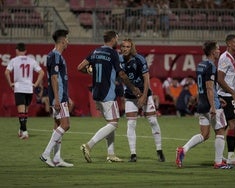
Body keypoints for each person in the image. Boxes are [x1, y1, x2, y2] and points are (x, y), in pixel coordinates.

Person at [77, 30, 142, 163]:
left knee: (110, 123)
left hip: (96, 93)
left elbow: (80, 67)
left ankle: (111, 154)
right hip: (108, 93)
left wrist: (90, 71)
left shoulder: (95, 51)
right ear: (113, 39)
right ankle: (89, 145)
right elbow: (122, 75)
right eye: (117, 38)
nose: (118, 41)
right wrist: (133, 88)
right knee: (113, 123)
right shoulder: (113, 53)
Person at [176, 41, 232, 169]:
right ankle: (218, 162)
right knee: (220, 131)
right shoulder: (211, 66)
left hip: (201, 104)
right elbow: (209, 88)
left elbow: (202, 87)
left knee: (205, 134)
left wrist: (211, 99)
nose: (219, 51)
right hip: (211, 104)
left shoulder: (200, 64)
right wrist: (213, 105)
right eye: (218, 49)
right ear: (213, 52)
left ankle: (183, 150)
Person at [120, 38, 165, 162]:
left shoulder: (139, 59)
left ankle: (159, 151)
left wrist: (144, 96)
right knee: (131, 123)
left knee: (153, 121)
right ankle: (133, 154)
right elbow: (122, 77)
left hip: (145, 93)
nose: (125, 49)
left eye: (128, 47)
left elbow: (146, 78)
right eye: (123, 46)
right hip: (130, 96)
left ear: (132, 48)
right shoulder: (119, 60)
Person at [40, 29, 74, 168]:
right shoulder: (55, 56)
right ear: (62, 40)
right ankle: (46, 154)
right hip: (58, 97)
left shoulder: (55, 55)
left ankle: (57, 158)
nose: (68, 42)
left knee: (57, 126)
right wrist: (58, 99)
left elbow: (58, 78)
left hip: (59, 95)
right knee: (65, 125)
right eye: (67, 39)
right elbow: (54, 78)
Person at [4, 42, 44, 139]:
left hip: (19, 88)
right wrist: (36, 84)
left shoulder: (14, 60)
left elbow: (6, 72)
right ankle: (22, 129)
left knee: (21, 112)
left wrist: (10, 84)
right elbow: (41, 72)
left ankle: (25, 132)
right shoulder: (31, 60)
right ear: (25, 51)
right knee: (25, 111)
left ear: (16, 50)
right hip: (29, 88)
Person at [217, 34, 235, 165]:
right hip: (226, 96)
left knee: (226, 125)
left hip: (228, 95)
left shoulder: (230, 58)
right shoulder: (224, 58)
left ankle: (221, 156)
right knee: (233, 124)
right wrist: (233, 92)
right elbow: (220, 79)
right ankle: (231, 156)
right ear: (228, 43)